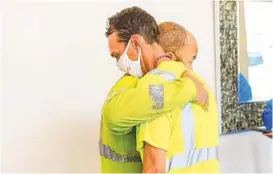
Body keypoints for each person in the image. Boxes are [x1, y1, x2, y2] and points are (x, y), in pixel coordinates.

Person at [100, 7, 211, 173]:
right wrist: (189, 87)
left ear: (136, 43)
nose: (119, 64)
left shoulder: (158, 81)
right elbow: (115, 115)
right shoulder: (133, 84)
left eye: (118, 55)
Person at [136, 22, 219, 172]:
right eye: (190, 60)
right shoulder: (204, 86)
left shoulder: (155, 84)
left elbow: (154, 168)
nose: (190, 67)